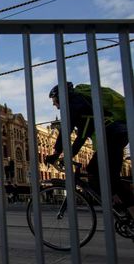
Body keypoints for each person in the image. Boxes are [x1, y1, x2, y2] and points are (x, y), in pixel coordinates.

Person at [45, 82, 134, 219]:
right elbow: (81, 137)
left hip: (112, 135)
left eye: (54, 100)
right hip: (116, 133)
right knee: (108, 176)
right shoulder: (83, 106)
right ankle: (123, 209)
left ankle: (128, 209)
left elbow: (66, 130)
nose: (54, 104)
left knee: (94, 171)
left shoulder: (74, 105)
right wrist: (67, 155)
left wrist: (56, 154)